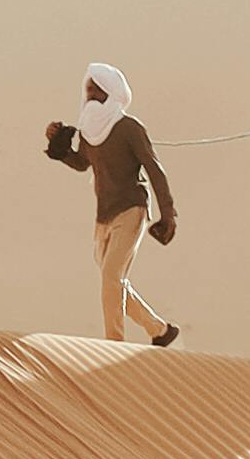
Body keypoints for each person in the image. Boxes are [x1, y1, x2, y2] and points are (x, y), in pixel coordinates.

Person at [54, 62, 180, 345]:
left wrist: (168, 214)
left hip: (132, 208)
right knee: (113, 282)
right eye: (88, 89)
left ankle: (113, 345)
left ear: (109, 92)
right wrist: (59, 148)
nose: (90, 95)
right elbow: (82, 163)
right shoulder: (89, 130)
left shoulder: (129, 128)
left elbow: (154, 169)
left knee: (111, 277)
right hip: (104, 215)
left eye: (96, 89)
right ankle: (160, 330)